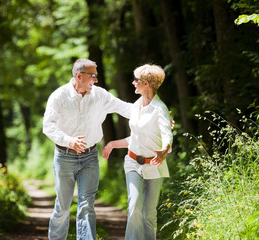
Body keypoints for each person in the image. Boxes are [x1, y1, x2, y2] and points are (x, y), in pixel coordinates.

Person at [43, 59, 132, 240]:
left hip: (90, 157)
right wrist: (69, 140)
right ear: (79, 76)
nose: (96, 80)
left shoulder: (100, 95)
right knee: (63, 206)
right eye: (93, 76)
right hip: (64, 156)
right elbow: (48, 126)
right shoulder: (59, 96)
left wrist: (156, 114)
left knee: (86, 205)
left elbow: (126, 108)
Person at [102, 64, 173, 240]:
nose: (133, 83)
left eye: (137, 80)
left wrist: (164, 150)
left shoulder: (159, 109)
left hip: (154, 165)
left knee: (149, 215)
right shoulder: (135, 106)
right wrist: (111, 144)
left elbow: (167, 135)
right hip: (133, 163)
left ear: (146, 83)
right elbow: (134, 139)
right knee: (134, 206)